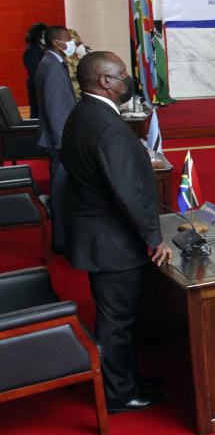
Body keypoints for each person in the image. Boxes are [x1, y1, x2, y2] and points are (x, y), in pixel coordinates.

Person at [60, 51, 173, 414]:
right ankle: (118, 394)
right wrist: (154, 237)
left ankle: (128, 378)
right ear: (105, 81)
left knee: (117, 316)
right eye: (122, 75)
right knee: (116, 321)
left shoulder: (83, 114)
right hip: (110, 241)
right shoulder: (107, 126)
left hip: (96, 233)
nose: (127, 81)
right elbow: (128, 191)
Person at [35, 25, 79, 253]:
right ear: (56, 43)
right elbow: (55, 110)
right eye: (68, 39)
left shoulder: (54, 63)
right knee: (61, 191)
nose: (71, 43)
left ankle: (65, 236)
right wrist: (64, 144)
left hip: (62, 138)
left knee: (65, 190)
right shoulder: (51, 66)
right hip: (60, 142)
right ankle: (61, 241)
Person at [22, 22, 47, 118]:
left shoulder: (42, 49)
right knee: (37, 114)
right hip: (37, 87)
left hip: (39, 86)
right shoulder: (32, 51)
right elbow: (34, 71)